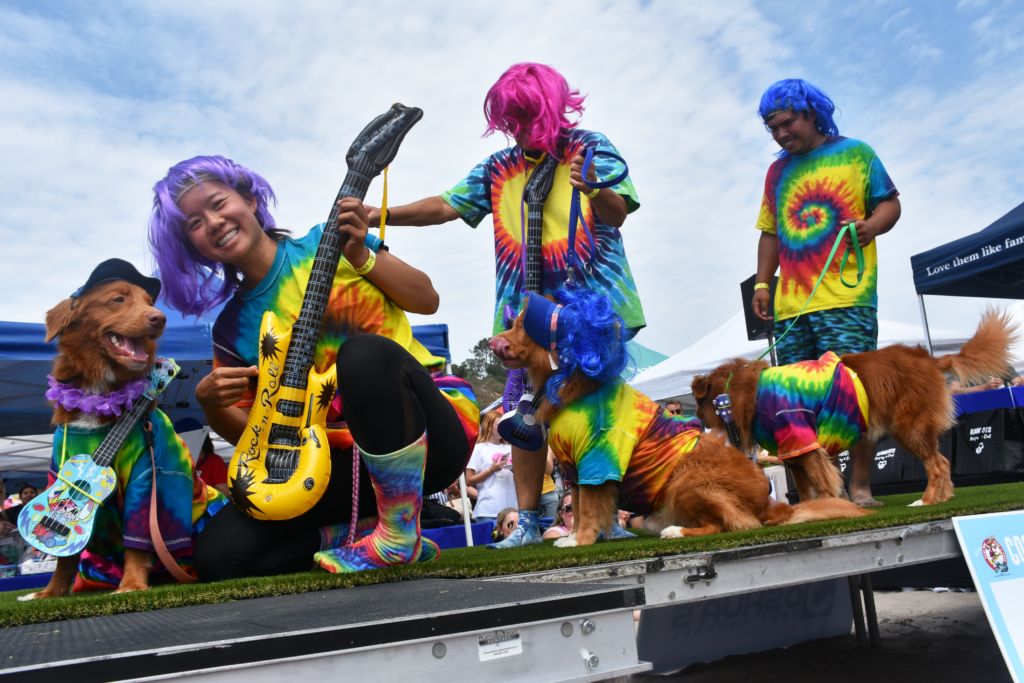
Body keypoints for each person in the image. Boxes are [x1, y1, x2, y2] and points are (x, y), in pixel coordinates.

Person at [148, 156, 480, 580]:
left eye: (217, 203)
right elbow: (263, 435)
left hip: (427, 433)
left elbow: (426, 299)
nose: (212, 222)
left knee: (361, 356)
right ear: (190, 244)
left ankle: (398, 536)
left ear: (250, 199)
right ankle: (368, 529)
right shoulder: (231, 329)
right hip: (329, 461)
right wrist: (211, 406)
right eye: (194, 222)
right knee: (220, 557)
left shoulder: (329, 242)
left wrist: (360, 255)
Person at [366, 63, 644, 549]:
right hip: (525, 317)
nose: (520, 129)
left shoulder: (589, 147)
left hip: (589, 309)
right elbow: (447, 205)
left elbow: (618, 213)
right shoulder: (499, 167)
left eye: (527, 116)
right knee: (525, 415)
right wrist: (382, 214)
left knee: (595, 409)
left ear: (554, 107)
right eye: (511, 120)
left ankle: (603, 518)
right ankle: (531, 522)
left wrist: (594, 187)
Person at [750, 79, 901, 508]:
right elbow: (769, 233)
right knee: (795, 405)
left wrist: (873, 226)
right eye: (772, 128)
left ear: (811, 114)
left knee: (856, 397)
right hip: (794, 305)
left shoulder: (857, 153)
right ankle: (819, 492)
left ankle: (861, 487)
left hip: (848, 301)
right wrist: (763, 284)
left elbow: (891, 204)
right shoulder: (776, 172)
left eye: (787, 123)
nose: (780, 135)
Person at [464, 410, 517, 523]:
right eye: (499, 425)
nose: (502, 428)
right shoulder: (478, 449)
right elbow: (468, 481)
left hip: (512, 511)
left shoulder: (511, 448)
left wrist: (514, 470)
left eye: (504, 425)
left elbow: (523, 479)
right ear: (488, 426)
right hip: (488, 510)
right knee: (488, 541)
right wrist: (492, 470)